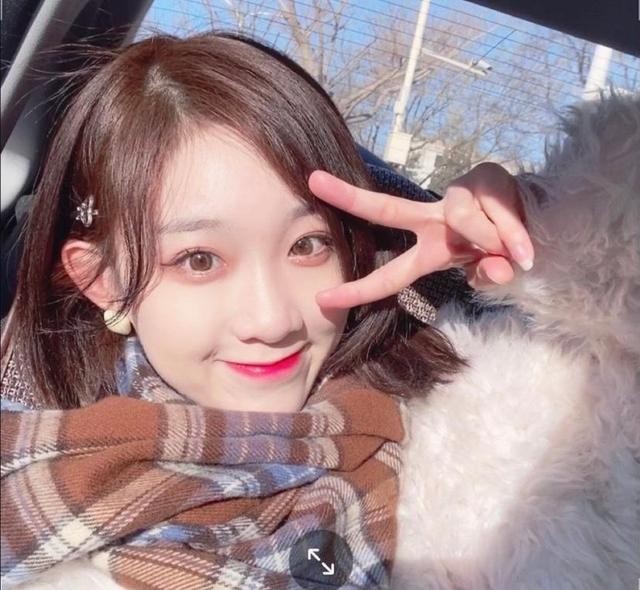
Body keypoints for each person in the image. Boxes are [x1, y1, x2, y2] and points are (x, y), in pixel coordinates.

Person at [0, 32, 533, 589]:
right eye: (199, 260)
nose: (272, 320)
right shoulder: (29, 472)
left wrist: (534, 241)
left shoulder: (460, 432)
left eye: (308, 245)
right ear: (104, 281)